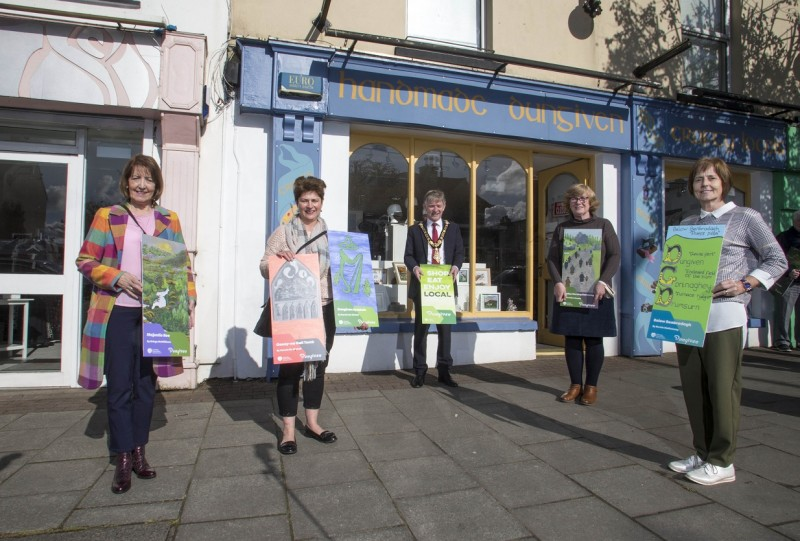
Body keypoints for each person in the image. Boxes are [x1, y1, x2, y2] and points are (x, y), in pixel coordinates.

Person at [76, 154, 196, 494]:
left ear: (157, 185)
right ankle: (123, 457)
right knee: (118, 387)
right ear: (126, 183)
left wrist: (189, 297)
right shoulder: (108, 216)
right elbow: (85, 260)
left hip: (158, 314)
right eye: (136, 178)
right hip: (117, 312)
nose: (142, 184)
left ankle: (140, 451)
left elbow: (181, 262)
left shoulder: (168, 218)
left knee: (145, 385)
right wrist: (117, 277)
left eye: (149, 179)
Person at [668, 157, 786, 486]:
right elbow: (678, 268)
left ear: (724, 183)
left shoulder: (746, 217)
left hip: (725, 312)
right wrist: (665, 285)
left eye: (711, 178)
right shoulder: (688, 222)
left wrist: (747, 283)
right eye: (698, 179)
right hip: (687, 314)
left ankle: (723, 461)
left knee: (722, 388)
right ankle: (702, 452)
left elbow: (777, 259)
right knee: (694, 389)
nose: (704, 183)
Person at [259, 176, 338, 455]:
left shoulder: (332, 236)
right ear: (297, 203)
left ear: (321, 202)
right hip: (293, 310)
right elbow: (263, 265)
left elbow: (345, 273)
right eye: (304, 200)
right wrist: (277, 260)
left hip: (324, 307)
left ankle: (313, 424)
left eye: (315, 200)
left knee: (317, 366)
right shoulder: (283, 232)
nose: (310, 205)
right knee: (291, 369)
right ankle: (288, 430)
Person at [546, 183, 620, 406]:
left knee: (594, 339)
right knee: (573, 339)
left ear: (591, 203)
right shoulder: (562, 228)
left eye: (583, 199)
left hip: (596, 292)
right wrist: (558, 282)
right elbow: (552, 259)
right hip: (570, 291)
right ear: (569, 202)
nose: (579, 202)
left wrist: (603, 281)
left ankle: (591, 387)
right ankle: (575, 385)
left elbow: (615, 255)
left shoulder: (603, 225)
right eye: (575, 198)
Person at [404, 189, 465, 388]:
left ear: (444, 207)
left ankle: (444, 371)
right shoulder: (415, 230)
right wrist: (415, 269)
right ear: (425, 207)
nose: (435, 209)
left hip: (445, 285)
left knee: (444, 330)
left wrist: (456, 267)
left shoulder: (453, 228)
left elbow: (459, 253)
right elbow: (408, 255)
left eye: (439, 205)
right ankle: (420, 371)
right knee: (421, 330)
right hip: (424, 285)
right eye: (431, 205)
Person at [772, 210, 800, 352]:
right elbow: (776, 259)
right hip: (789, 282)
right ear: (796, 221)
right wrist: (789, 271)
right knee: (784, 312)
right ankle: (782, 341)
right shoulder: (785, 237)